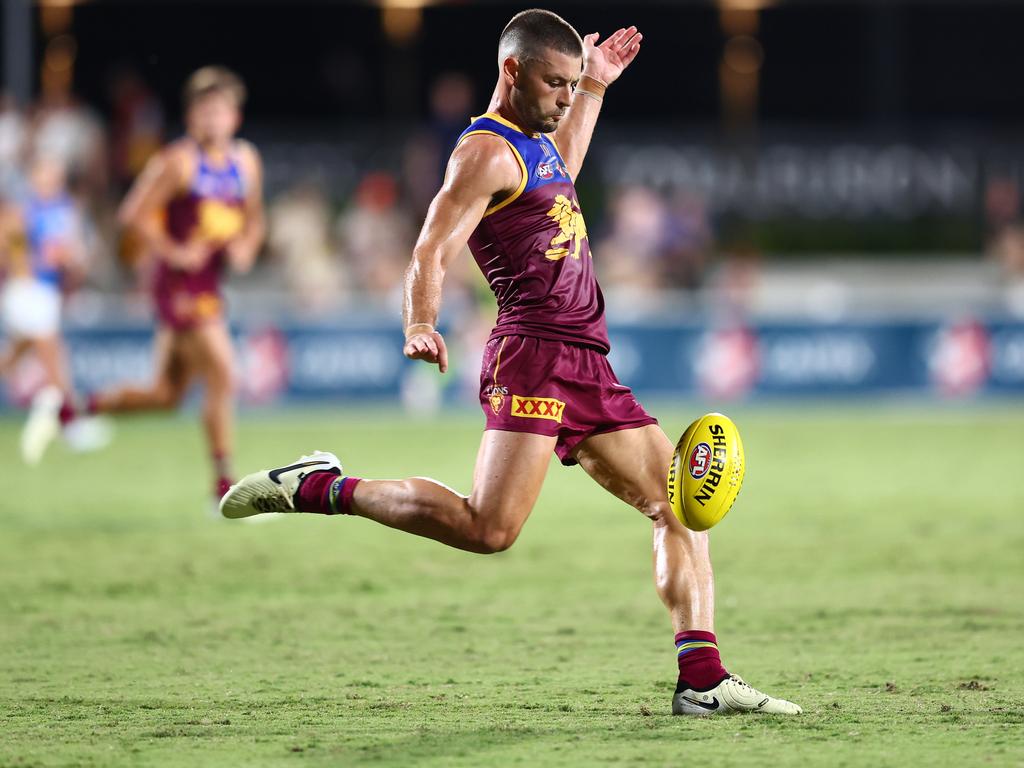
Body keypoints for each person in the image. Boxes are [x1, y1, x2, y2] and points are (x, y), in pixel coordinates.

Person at [221, 10, 801, 716]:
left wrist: (597, 87)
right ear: (512, 71)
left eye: (570, 83)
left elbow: (567, 168)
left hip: (586, 360)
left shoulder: (538, 142)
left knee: (677, 505)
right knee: (487, 529)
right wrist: (421, 321)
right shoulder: (484, 152)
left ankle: (702, 680)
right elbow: (430, 248)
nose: (563, 95)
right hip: (532, 355)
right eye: (555, 83)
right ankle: (321, 486)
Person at [57, 67, 266, 502]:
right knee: (224, 372)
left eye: (221, 111)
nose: (212, 120)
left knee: (166, 395)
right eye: (204, 111)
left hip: (210, 284)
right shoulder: (178, 162)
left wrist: (246, 245)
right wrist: (173, 251)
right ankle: (225, 489)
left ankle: (77, 409)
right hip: (178, 287)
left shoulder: (246, 162)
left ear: (235, 118)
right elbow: (131, 213)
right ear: (192, 117)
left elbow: (254, 218)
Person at [0, 153, 103, 463]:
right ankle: (71, 425)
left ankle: (70, 422)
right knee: (54, 361)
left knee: (15, 357)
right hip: (28, 291)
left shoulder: (66, 209)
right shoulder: (23, 211)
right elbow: (12, 251)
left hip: (47, 292)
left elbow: (74, 250)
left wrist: (72, 262)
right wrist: (33, 263)